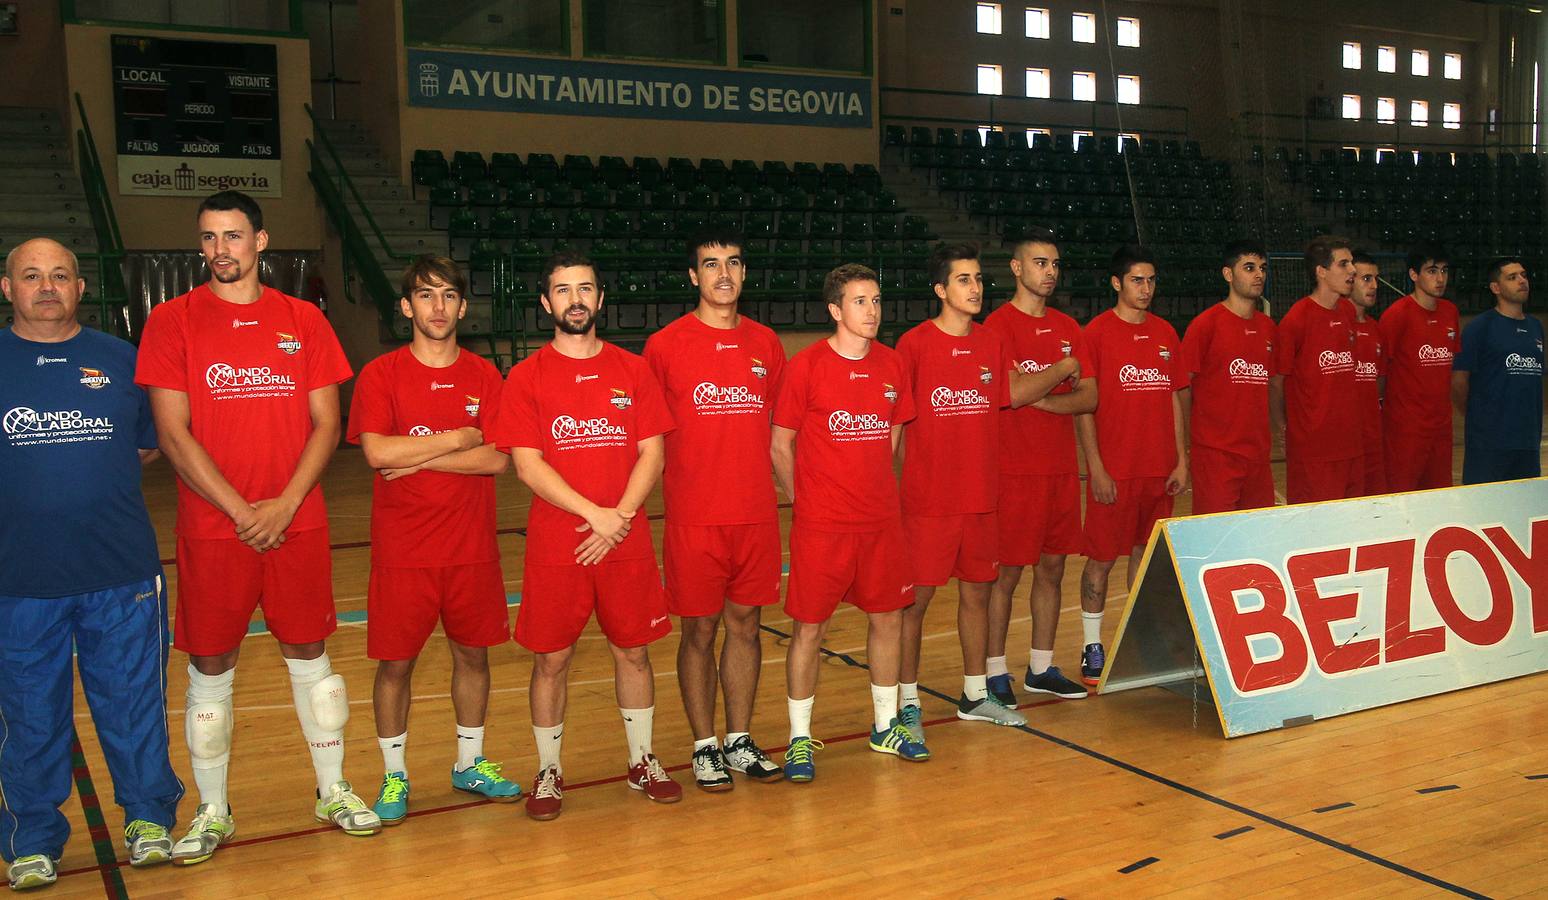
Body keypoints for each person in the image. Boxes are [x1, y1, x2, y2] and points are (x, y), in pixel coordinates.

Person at [135, 191, 378, 866]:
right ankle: (213, 809)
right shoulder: (171, 320)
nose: (221, 250)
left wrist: (283, 505)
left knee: (314, 661)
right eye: (209, 238)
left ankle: (332, 790)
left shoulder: (303, 320)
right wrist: (243, 512)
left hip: (296, 524)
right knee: (211, 668)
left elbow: (328, 423)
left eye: (233, 236)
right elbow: (172, 432)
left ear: (260, 242)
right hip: (216, 530)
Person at [0, 239, 184, 891]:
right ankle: (33, 837)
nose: (46, 286)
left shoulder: (120, 361)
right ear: (7, 287)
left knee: (134, 704)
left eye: (59, 275)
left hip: (121, 573)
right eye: (31, 276)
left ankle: (147, 819)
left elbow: (146, 447)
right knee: (28, 713)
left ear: (80, 287)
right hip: (19, 582)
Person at [492, 251, 681, 821]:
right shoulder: (525, 377)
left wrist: (617, 516)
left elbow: (654, 451)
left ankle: (642, 759)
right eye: (563, 290)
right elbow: (527, 464)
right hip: (559, 541)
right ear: (546, 303)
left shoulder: (634, 369)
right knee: (551, 659)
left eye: (586, 289)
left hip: (624, 536)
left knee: (634, 651)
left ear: (600, 300)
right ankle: (548, 769)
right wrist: (594, 515)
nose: (576, 299)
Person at [347, 255, 520, 825]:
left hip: (471, 549)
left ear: (463, 307)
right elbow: (377, 453)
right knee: (396, 665)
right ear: (406, 306)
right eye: (425, 295)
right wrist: (457, 438)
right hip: (403, 551)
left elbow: (497, 459)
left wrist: (418, 458)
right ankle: (394, 775)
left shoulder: (483, 375)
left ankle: (470, 763)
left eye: (448, 296)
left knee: (473, 656)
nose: (437, 307)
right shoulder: (381, 375)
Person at [644, 232, 787, 792]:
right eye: (711, 264)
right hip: (693, 517)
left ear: (744, 274)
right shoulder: (664, 345)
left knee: (746, 626)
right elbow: (648, 437)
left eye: (732, 263)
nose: (722, 273)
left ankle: (739, 739)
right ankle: (704, 745)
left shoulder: (767, 344)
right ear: (693, 276)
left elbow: (781, 432)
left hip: (755, 514)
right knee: (698, 631)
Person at [771, 263, 926, 782]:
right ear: (836, 310)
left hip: (880, 523)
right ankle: (798, 738)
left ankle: (885, 726)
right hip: (823, 526)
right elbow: (780, 444)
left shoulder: (892, 365)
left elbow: (893, 437)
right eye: (861, 301)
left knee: (888, 619)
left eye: (877, 300)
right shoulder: (806, 367)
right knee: (809, 629)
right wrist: (805, 502)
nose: (873, 311)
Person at [895, 243, 1027, 750]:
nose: (975, 288)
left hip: (980, 499)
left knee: (978, 593)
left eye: (977, 279)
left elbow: (998, 407)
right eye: (964, 280)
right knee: (914, 604)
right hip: (928, 502)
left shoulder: (992, 344)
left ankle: (974, 695)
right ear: (940, 290)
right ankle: (907, 702)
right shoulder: (913, 345)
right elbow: (896, 427)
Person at [983, 228, 1092, 706]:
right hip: (1013, 472)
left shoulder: (1070, 328)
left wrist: (1038, 393)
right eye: (1040, 263)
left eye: (1054, 263)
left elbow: (1090, 397)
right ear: (1017, 268)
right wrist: (1062, 372)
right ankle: (993, 671)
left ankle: (1042, 667)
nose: (1049, 271)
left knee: (1053, 569)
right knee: (1005, 575)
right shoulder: (996, 327)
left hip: (1061, 471)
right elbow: (1008, 393)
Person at [1075, 245, 1189, 686]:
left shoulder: (1165, 334)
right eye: (1137, 280)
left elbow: (1174, 400)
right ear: (1117, 283)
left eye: (1151, 280)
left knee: (1147, 560)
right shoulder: (1096, 334)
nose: (1146, 288)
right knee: (1100, 560)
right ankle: (1091, 645)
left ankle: (1144, 641)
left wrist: (1181, 459)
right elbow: (1085, 408)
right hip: (1115, 473)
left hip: (1160, 472)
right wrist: (1097, 468)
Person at [1178, 240, 1276, 515]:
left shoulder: (1269, 328)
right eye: (1249, 267)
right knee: (1216, 540)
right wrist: (1185, 446)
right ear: (1228, 274)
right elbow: (1182, 387)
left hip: (1258, 457)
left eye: (1262, 268)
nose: (1259, 275)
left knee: (1257, 537)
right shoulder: (1205, 325)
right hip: (1216, 456)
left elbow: (1270, 387)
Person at [1271, 236, 1363, 504]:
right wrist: (1283, 427)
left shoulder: (1346, 311)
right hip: (1313, 451)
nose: (1353, 271)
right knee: (1316, 528)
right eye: (1344, 264)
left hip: (1351, 445)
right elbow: (1276, 382)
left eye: (1352, 263)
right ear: (1321, 272)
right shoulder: (1296, 320)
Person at [1453, 257, 1542, 483]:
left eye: (1523, 275)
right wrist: (1479, 417)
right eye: (1512, 277)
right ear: (1495, 288)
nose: (1522, 281)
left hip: (1528, 442)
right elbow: (1459, 381)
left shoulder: (1536, 327)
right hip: (1488, 445)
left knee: (1523, 509)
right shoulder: (1479, 328)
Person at [1381, 242, 1459, 491]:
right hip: (1406, 431)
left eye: (1444, 271)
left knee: (1438, 498)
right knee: (1402, 499)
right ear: (1414, 275)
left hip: (1441, 428)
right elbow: (1380, 371)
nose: (1440, 278)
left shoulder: (1450, 312)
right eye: (1432, 271)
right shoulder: (1397, 315)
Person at [1350, 251, 1388, 495]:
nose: (1373, 285)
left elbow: (1380, 383)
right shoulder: (1331, 326)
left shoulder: (1377, 329)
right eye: (1366, 279)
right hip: (1341, 444)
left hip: (1372, 442)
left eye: (1375, 279)